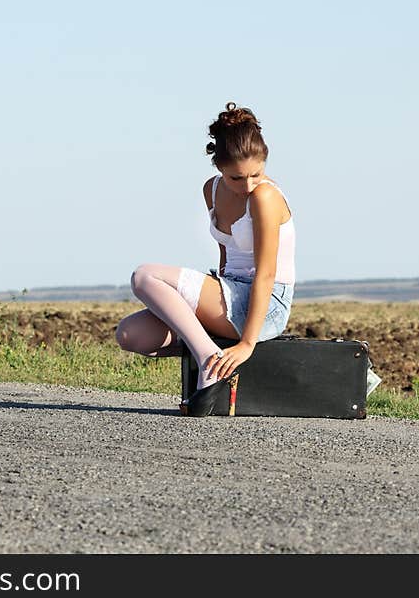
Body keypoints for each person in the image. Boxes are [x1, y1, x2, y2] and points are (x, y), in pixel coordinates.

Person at [115, 102, 296, 415]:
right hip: (228, 292)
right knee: (130, 335)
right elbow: (226, 254)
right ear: (219, 168)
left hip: (265, 304)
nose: (248, 185)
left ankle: (208, 362)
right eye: (237, 178)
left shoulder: (265, 197)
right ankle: (210, 352)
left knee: (144, 276)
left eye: (256, 173)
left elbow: (265, 274)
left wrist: (247, 343)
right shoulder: (211, 190)